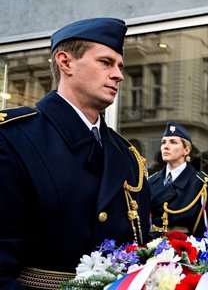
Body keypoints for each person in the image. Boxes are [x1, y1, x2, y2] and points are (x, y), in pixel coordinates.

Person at [0, 18, 151, 288]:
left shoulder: (127, 155)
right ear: (65, 62)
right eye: (106, 62)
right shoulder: (12, 138)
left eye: (120, 66)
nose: (119, 75)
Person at [149, 121, 208, 237]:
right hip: (152, 247)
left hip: (186, 248)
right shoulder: (151, 181)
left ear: (186, 150)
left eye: (173, 142)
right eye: (163, 142)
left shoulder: (204, 185)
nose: (165, 146)